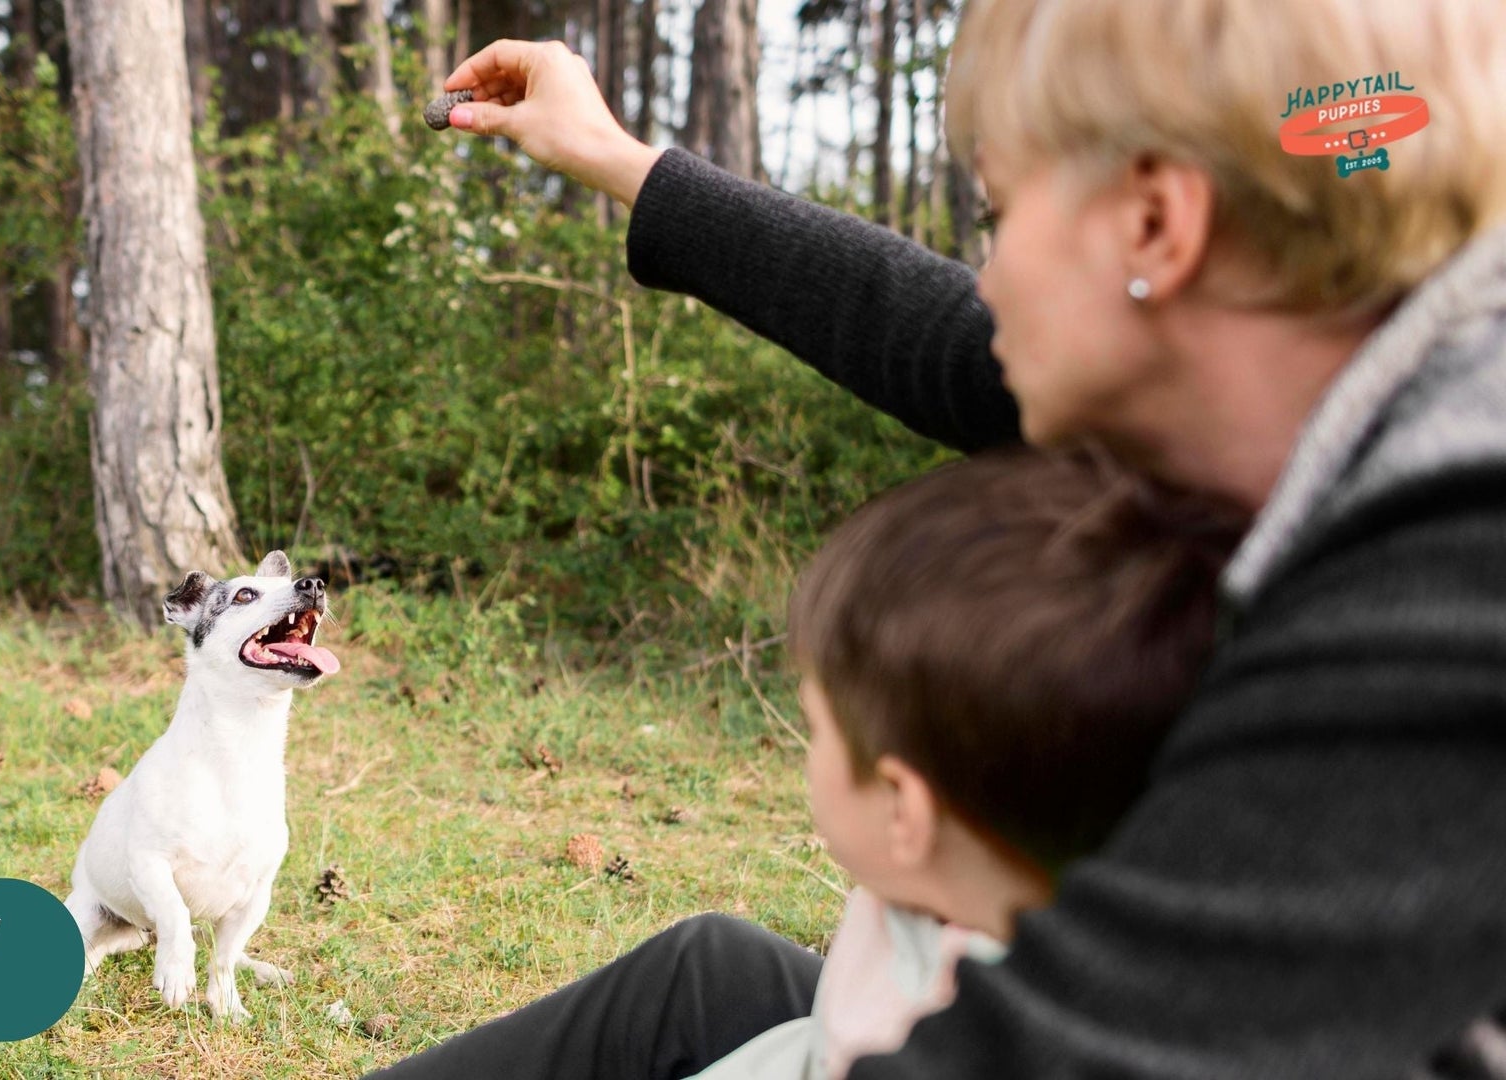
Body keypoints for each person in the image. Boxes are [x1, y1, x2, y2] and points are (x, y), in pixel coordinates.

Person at [369, 0, 1506, 1076]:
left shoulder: (1454, 583)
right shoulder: (1321, 390)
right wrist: (615, 156)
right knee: (704, 980)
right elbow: (938, 337)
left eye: (1002, 215)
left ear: (1157, 225)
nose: (989, 278)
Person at [688, 447, 1246, 1080]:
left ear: (906, 809)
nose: (806, 750)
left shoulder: (922, 1040)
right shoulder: (1046, 938)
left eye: (815, 729)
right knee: (700, 958)